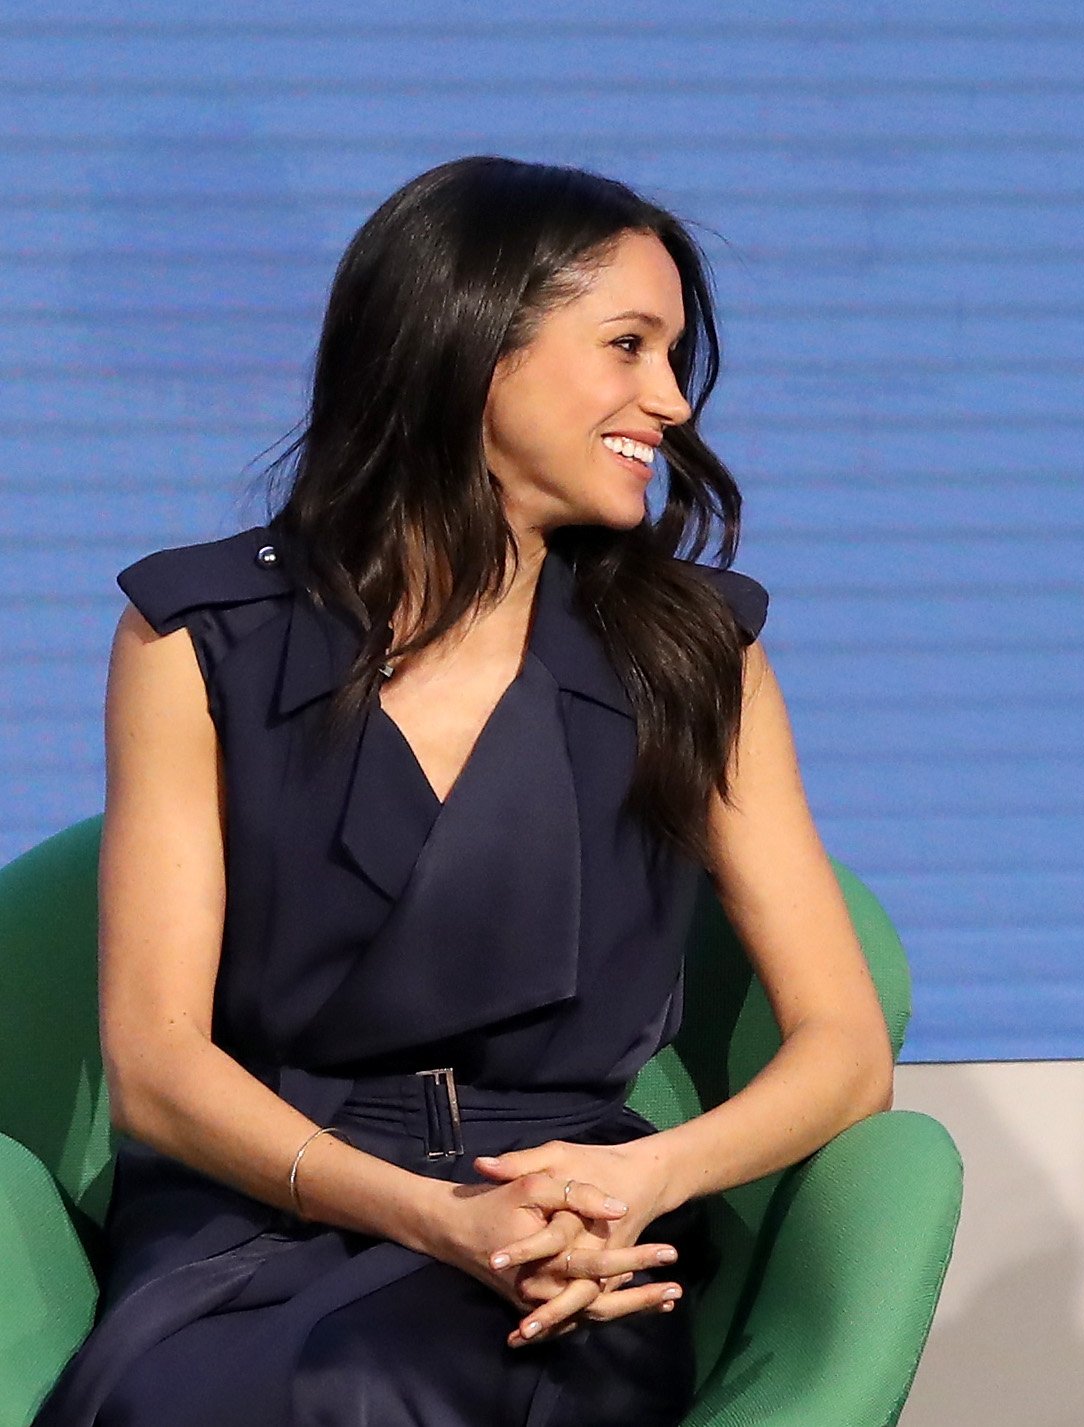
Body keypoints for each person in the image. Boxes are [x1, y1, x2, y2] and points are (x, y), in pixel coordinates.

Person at [36, 157, 894, 1426]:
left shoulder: (701, 651)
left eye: (673, 355)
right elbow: (156, 1062)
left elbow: (846, 1048)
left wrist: (639, 1183)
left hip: (566, 1226)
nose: (668, 400)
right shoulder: (194, 632)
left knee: (402, 1380)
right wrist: (433, 1215)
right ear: (472, 347)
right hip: (268, 1202)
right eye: (627, 346)